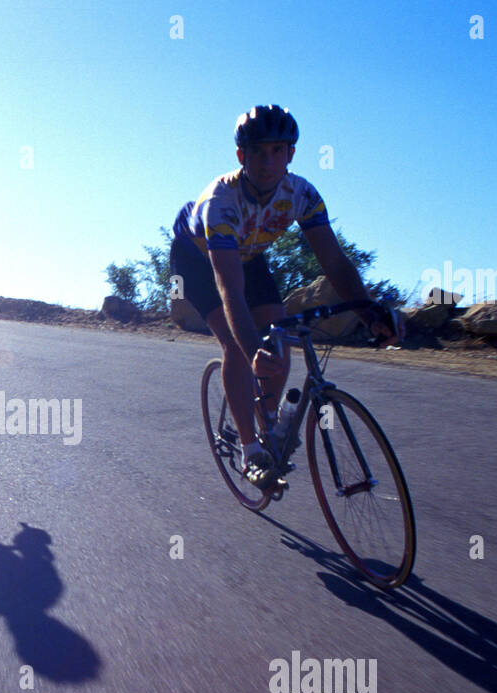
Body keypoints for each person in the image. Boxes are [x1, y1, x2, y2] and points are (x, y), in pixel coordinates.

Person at [169, 105, 403, 489]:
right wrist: (250, 347)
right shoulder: (220, 202)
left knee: (280, 335)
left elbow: (335, 263)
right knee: (237, 345)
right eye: (258, 152)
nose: (268, 161)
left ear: (291, 154)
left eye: (278, 151)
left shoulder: (302, 194)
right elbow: (229, 290)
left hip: (248, 253)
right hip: (198, 259)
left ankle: (270, 425)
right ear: (241, 156)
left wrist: (370, 313)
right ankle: (250, 452)